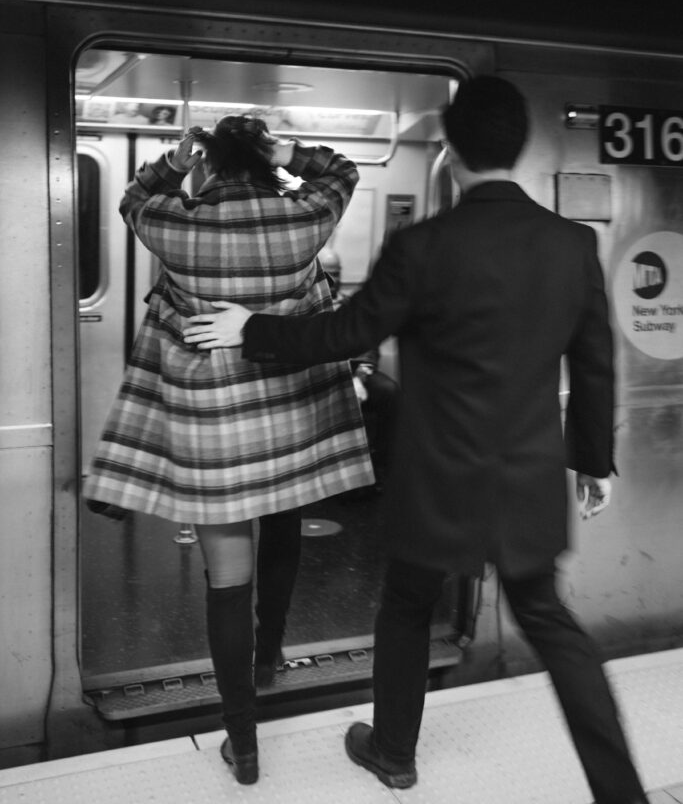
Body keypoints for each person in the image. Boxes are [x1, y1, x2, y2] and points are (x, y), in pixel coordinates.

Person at [183, 78, 648, 804]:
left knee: (405, 605)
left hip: (436, 480)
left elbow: (346, 333)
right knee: (553, 626)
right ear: (518, 147)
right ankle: (622, 793)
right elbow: (593, 363)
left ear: (451, 153)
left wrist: (252, 327)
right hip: (525, 479)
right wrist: (592, 462)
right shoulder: (570, 244)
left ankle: (393, 752)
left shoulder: (423, 245)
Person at [84, 116, 374, 786]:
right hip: (289, 420)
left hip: (213, 427)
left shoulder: (175, 224)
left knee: (226, 577)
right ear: (266, 161)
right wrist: (290, 151)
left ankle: (242, 745)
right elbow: (342, 173)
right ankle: (269, 649)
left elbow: (131, 199)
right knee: (282, 526)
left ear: (209, 168)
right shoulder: (303, 217)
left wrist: (171, 162)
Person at [319, 246, 399, 490]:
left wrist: (360, 377)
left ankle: (379, 469)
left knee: (390, 392)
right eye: (327, 274)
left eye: (337, 273)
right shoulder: (308, 306)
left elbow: (368, 345)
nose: (334, 280)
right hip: (321, 374)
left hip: (355, 371)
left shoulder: (351, 305)